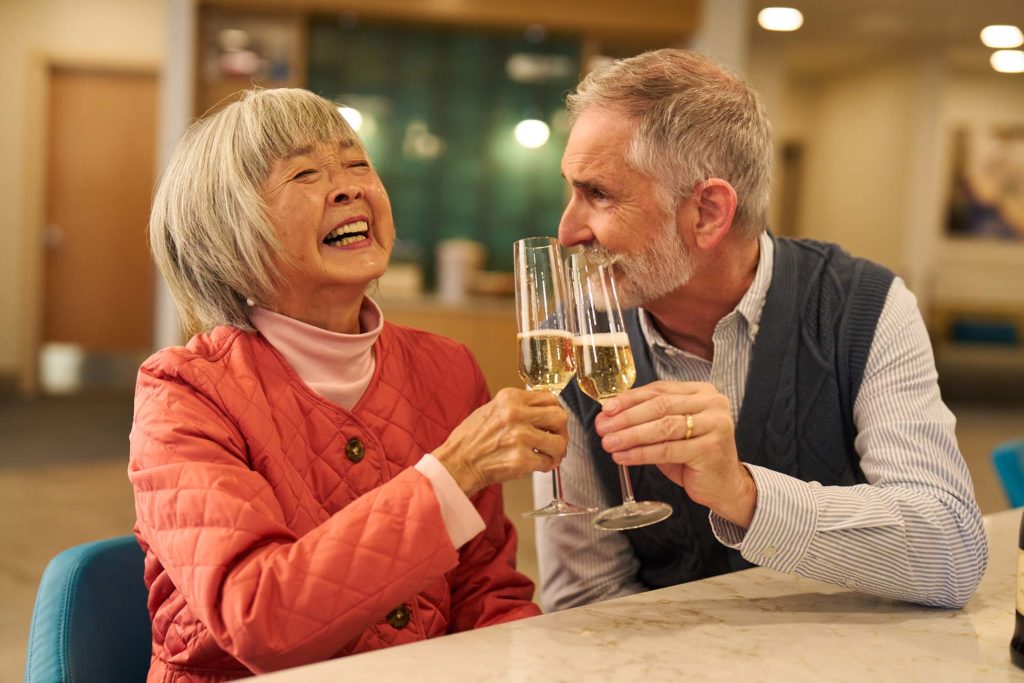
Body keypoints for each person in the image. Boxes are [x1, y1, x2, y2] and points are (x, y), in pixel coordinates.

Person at [130, 88, 566, 681]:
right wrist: (452, 474)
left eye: (358, 163)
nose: (349, 187)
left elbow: (485, 589)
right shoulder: (183, 392)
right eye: (306, 173)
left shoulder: (448, 369)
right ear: (230, 229)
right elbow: (259, 617)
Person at [535, 48, 987, 612]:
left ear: (707, 213)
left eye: (598, 194)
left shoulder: (862, 309)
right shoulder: (571, 341)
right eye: (572, 190)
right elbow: (585, 599)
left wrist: (743, 494)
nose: (567, 231)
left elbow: (951, 552)